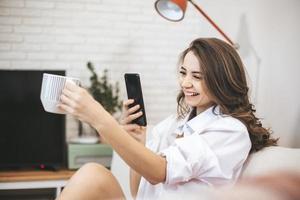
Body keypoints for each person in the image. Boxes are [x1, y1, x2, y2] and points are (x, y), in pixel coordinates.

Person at [57, 38, 277, 200]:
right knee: (93, 173)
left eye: (197, 77)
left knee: (91, 175)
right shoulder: (173, 123)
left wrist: (99, 117)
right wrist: (135, 140)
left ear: (222, 81)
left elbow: (159, 171)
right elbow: (138, 191)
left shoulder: (229, 131)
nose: (186, 83)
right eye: (183, 73)